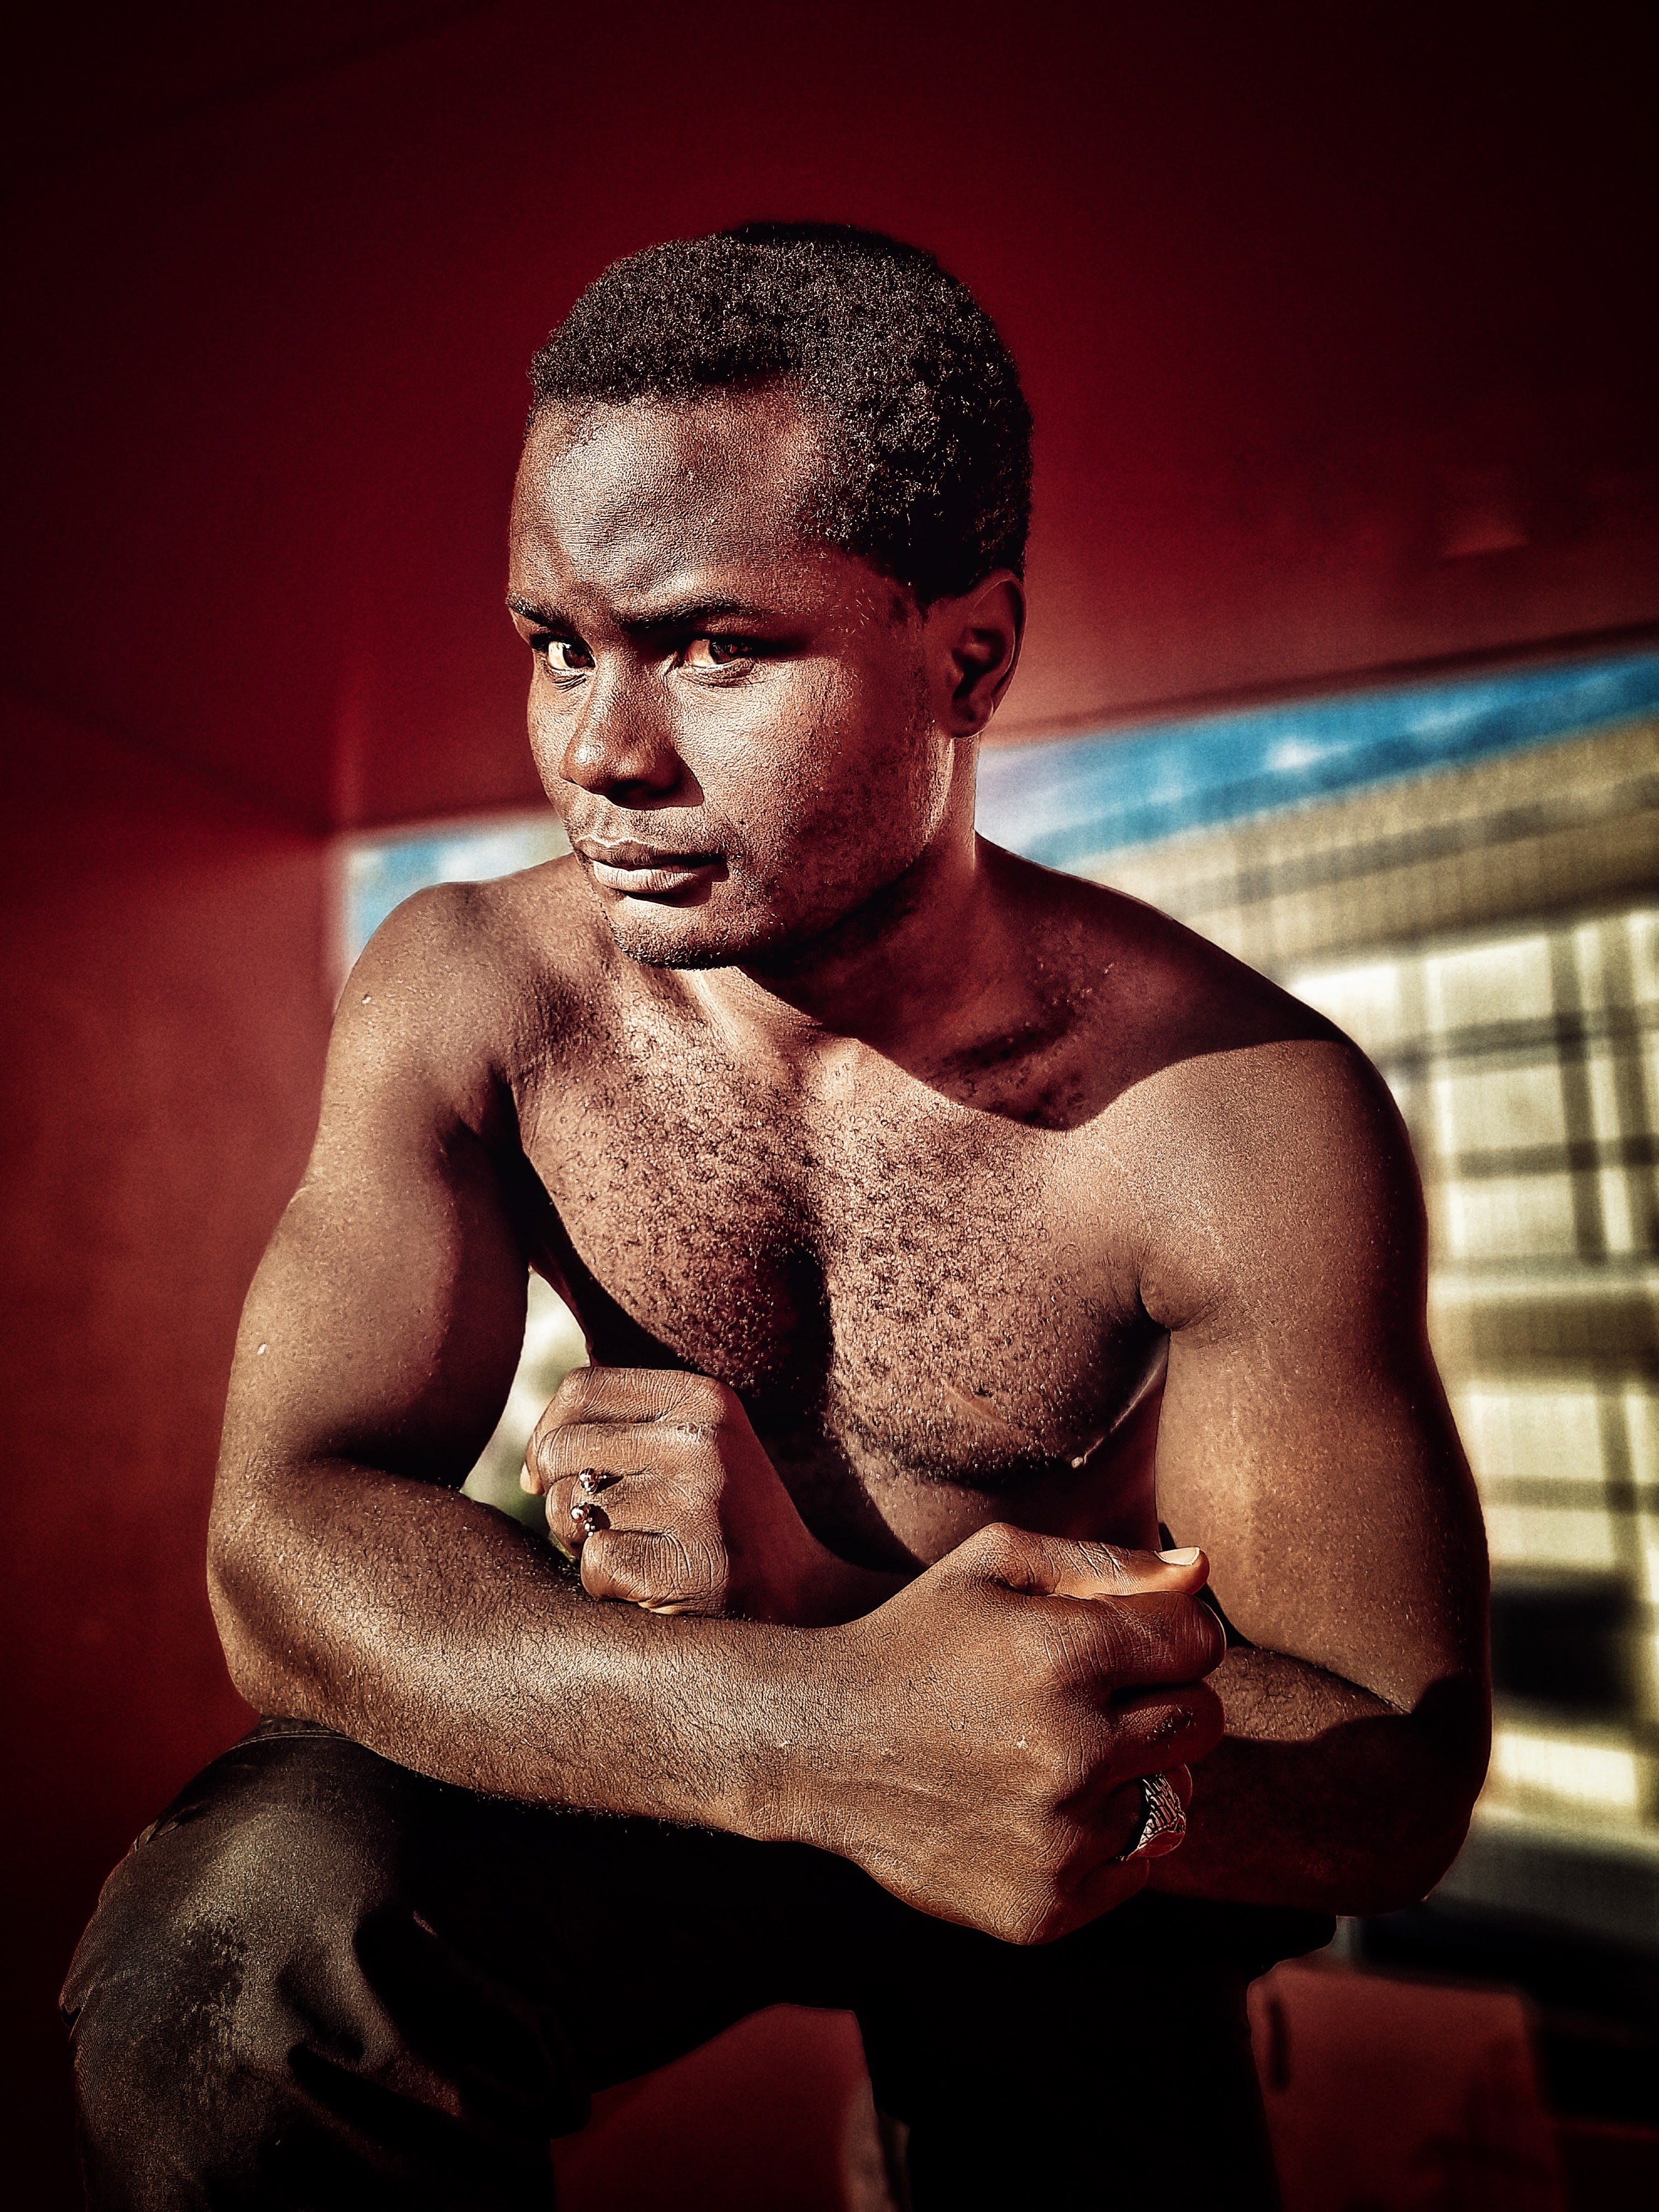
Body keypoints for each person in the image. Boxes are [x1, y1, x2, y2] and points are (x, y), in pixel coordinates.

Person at [62, 223, 1489, 2210]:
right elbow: (282, 1549)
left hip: (1067, 1834)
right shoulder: (479, 992)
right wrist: (812, 1728)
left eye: (715, 649)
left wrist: (845, 1622)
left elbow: (1388, 1775)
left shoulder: (1231, 1117)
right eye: (559, 645)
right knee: (248, 1966)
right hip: (682, 1721)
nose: (598, 753)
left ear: (967, 656)